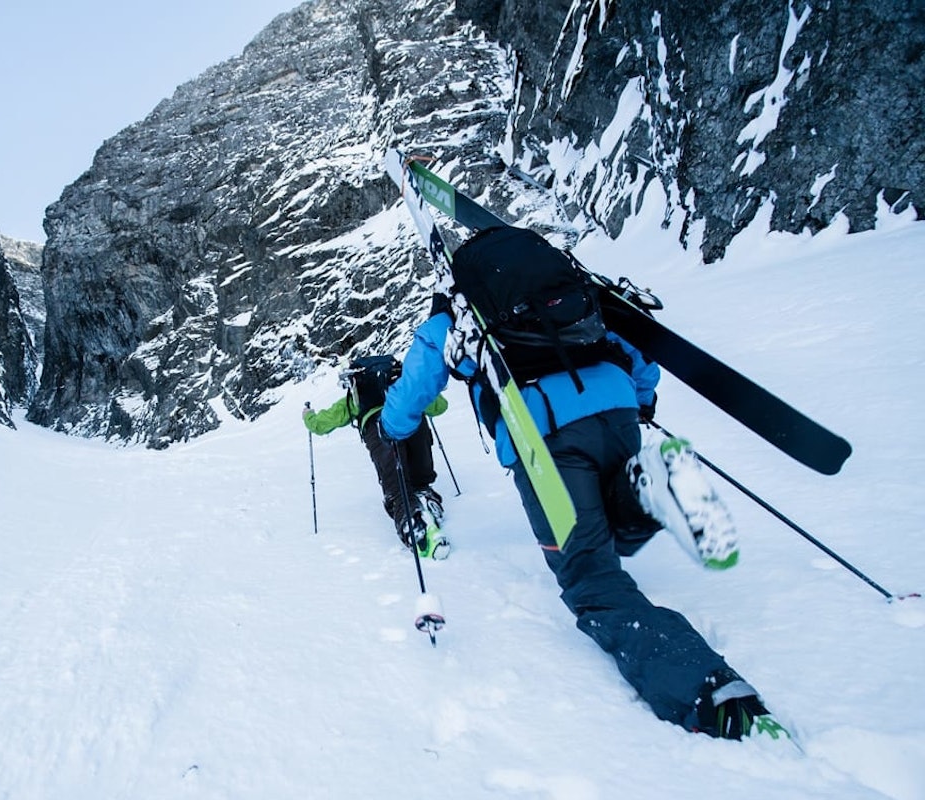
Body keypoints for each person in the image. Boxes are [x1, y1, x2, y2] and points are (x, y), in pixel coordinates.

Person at [378, 232, 787, 742]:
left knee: (592, 581)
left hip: (543, 437)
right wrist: (639, 402)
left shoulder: (460, 309)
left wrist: (391, 429)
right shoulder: (562, 282)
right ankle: (646, 488)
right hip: (617, 411)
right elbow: (634, 343)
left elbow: (415, 386)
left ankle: (703, 691)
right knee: (613, 532)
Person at [304, 354, 451, 559]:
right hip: (410, 420)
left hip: (377, 429)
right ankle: (424, 495)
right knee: (418, 474)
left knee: (396, 486)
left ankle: (411, 522)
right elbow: (440, 407)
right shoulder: (403, 389)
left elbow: (320, 425)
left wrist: (308, 415)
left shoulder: (357, 399)